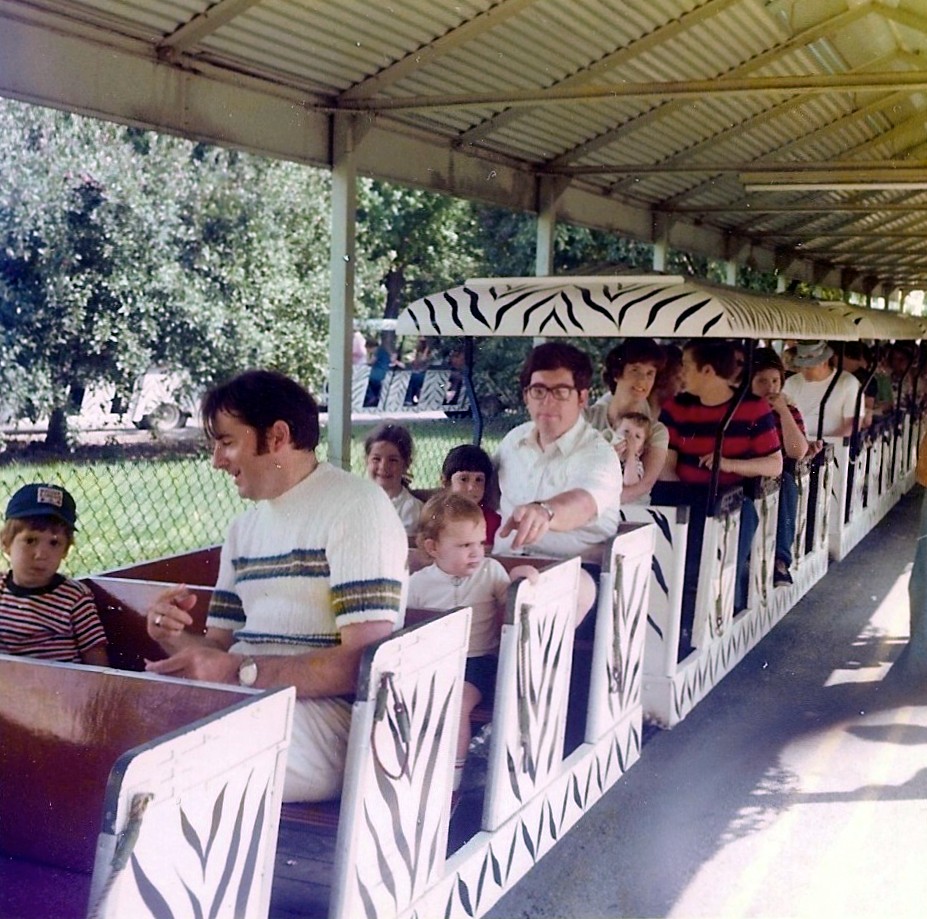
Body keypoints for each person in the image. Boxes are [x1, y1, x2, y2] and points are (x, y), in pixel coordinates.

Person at [145, 370, 408, 802]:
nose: (217, 460)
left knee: (177, 762)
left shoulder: (357, 507)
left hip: (339, 723)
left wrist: (238, 673)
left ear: (278, 436)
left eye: (227, 442)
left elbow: (364, 664)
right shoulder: (243, 530)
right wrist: (170, 636)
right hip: (252, 704)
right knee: (133, 728)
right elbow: (218, 648)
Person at [408, 493, 536, 793]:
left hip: (479, 663)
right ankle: (413, 769)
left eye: (480, 543)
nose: (476, 552)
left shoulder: (490, 572)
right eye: (465, 545)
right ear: (433, 547)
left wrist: (521, 577)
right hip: (436, 662)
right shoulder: (418, 584)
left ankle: (453, 778)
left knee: (458, 701)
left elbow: (510, 602)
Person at [493, 342, 622, 624]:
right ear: (526, 396)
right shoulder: (513, 441)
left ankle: (528, 668)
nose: (547, 401)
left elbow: (583, 503)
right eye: (538, 391)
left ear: (582, 398)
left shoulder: (599, 454)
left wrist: (545, 512)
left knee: (539, 596)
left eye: (561, 392)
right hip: (504, 565)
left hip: (574, 569)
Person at [659, 339, 782, 617]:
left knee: (728, 546)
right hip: (686, 497)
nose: (681, 373)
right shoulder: (676, 407)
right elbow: (667, 465)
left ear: (708, 371)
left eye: (687, 366)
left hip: (732, 501)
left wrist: (727, 464)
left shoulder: (753, 407)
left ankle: (723, 612)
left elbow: (774, 464)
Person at [0, 483, 108, 665]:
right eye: (30, 540)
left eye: (54, 543)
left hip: (59, 688)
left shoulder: (75, 598)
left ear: (65, 551)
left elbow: (97, 661)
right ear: (6, 543)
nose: (41, 554)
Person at [750, 348, 810, 588]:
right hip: (747, 473)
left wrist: (783, 412)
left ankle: (780, 561)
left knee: (787, 485)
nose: (770, 387)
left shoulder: (789, 411)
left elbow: (797, 450)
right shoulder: (740, 411)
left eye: (775, 381)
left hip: (776, 477)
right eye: (762, 381)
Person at [586, 338, 668, 504]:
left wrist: (597, 505)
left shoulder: (657, 431)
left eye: (649, 374)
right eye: (635, 370)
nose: (642, 381)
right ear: (617, 374)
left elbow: (644, 485)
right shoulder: (587, 418)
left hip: (634, 515)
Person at [782, 340, 862, 439]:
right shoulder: (791, 383)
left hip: (835, 449)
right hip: (798, 446)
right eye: (802, 366)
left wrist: (825, 445)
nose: (804, 371)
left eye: (809, 367)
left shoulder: (848, 383)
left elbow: (851, 426)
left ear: (824, 363)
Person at [364, 422, 424, 536]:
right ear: (367, 460)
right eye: (376, 459)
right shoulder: (357, 499)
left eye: (393, 460)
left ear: (406, 464)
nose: (383, 467)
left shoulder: (410, 508)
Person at [441, 443, 502, 546]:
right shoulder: (436, 515)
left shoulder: (492, 521)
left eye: (479, 480)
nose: (471, 487)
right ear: (446, 482)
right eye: (463, 479)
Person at [612, 412, 651, 491]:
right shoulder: (605, 451)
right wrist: (611, 456)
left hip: (630, 502)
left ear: (640, 450)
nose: (630, 438)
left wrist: (630, 455)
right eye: (626, 431)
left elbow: (630, 483)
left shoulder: (636, 464)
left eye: (637, 436)